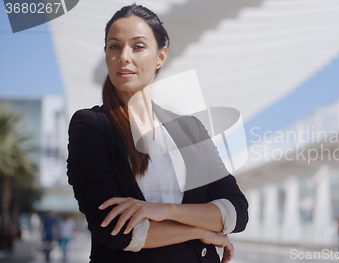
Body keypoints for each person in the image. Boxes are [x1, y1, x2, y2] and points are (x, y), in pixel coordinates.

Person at [66, 3, 248, 263]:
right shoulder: (91, 126)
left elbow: (236, 211)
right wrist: (199, 229)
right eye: (114, 46)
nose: (124, 56)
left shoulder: (190, 130)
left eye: (138, 46)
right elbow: (115, 229)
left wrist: (164, 210)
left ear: (160, 56)